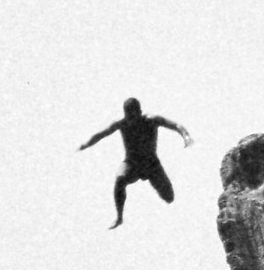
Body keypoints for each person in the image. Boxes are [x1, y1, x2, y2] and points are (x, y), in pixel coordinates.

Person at [78, 97, 193, 229]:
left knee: (169, 198)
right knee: (120, 179)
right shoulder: (121, 124)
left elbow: (175, 126)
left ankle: (160, 188)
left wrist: (186, 137)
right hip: (132, 164)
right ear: (125, 115)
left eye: (134, 116)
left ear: (140, 112)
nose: (132, 120)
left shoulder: (151, 120)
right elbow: (101, 134)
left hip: (151, 164)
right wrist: (86, 144)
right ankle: (119, 218)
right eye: (129, 116)